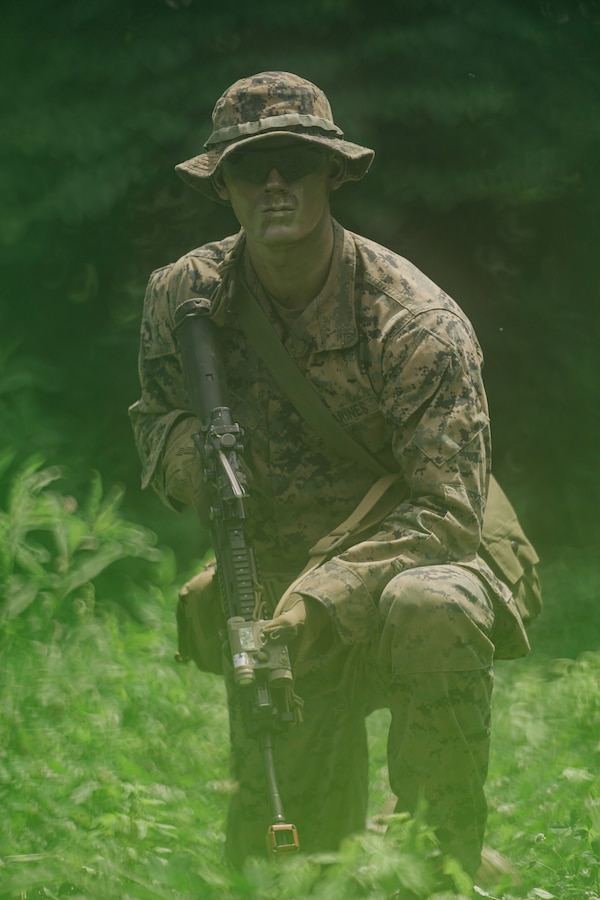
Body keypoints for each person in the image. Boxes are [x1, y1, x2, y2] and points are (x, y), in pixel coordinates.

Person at [129, 71, 534, 879]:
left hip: (407, 573)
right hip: (275, 585)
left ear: (333, 174)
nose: (274, 182)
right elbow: (156, 415)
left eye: (296, 161)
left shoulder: (414, 322)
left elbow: (447, 514)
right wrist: (203, 464)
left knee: (433, 606)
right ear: (223, 185)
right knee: (290, 867)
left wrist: (319, 599)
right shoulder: (185, 296)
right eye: (251, 166)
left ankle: (439, 860)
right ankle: (362, 837)